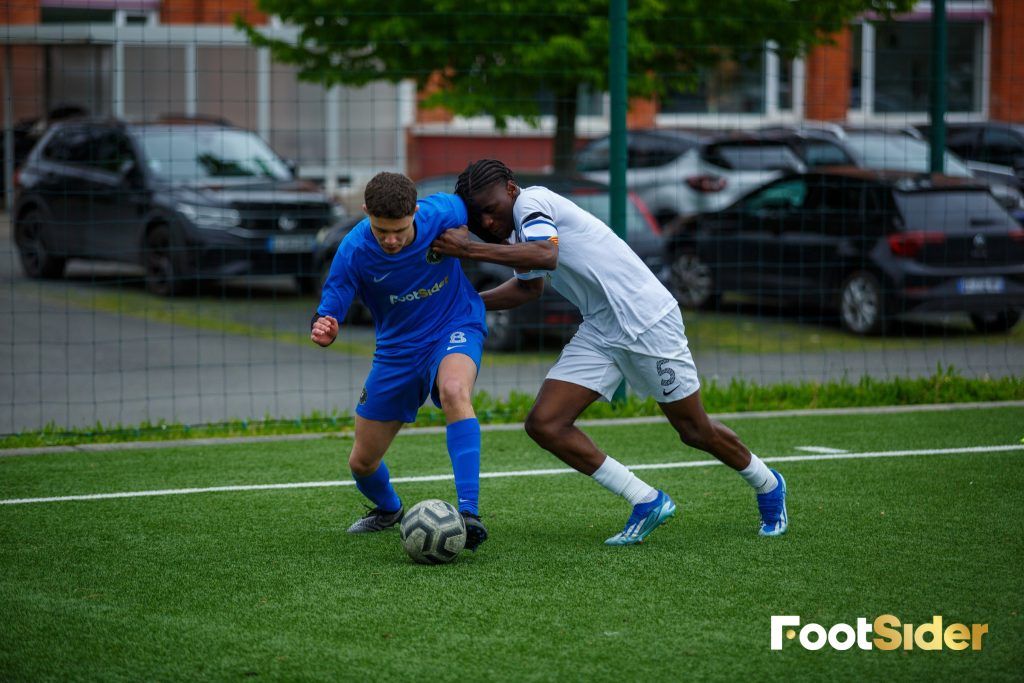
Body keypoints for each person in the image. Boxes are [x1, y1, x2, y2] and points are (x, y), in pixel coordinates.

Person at [430, 159, 788, 545]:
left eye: (490, 209)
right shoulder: (519, 233)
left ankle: (768, 484)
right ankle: (646, 500)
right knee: (545, 424)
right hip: (601, 328)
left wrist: (469, 249)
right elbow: (528, 288)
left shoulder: (532, 203)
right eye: (476, 216)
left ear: (511, 189)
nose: (486, 222)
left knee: (694, 430)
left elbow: (545, 255)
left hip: (648, 321)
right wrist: (467, 308)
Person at [312, 171, 489, 550]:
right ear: (365, 213)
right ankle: (389, 510)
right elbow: (334, 299)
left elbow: (471, 211)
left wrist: (466, 237)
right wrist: (326, 325)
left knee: (455, 389)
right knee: (362, 463)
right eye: (381, 231)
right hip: (398, 350)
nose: (391, 240)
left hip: (455, 323)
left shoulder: (440, 212)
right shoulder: (354, 249)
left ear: (416, 213)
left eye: (400, 230)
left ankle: (469, 514)